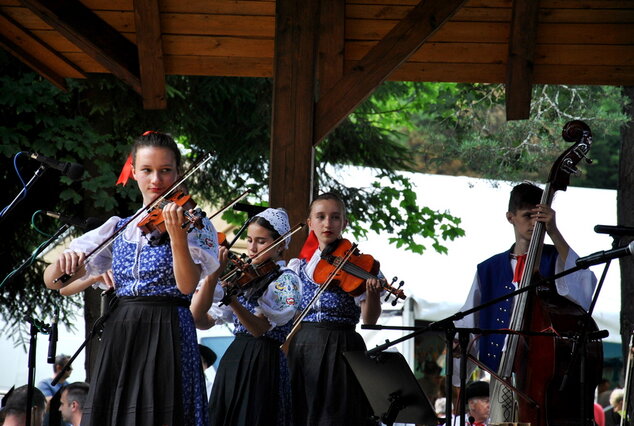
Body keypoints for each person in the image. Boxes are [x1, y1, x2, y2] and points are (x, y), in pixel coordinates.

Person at [43, 131, 220, 425]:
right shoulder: (119, 227)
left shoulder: (196, 225)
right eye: (147, 170)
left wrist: (177, 237)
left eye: (166, 171)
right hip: (123, 329)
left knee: (165, 411)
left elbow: (187, 286)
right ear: (134, 172)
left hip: (170, 327)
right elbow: (53, 281)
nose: (156, 180)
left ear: (178, 173)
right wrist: (66, 265)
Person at [454, 182, 597, 380]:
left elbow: (583, 285)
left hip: (543, 366)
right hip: (498, 369)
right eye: (527, 216)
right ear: (510, 217)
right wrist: (457, 342)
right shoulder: (488, 268)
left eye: (538, 216)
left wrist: (554, 231)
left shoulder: (557, 257)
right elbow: (469, 317)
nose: (534, 223)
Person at [190, 207, 302, 426]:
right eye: (249, 240)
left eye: (261, 241)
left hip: (263, 359)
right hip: (235, 357)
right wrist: (209, 283)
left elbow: (260, 329)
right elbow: (205, 322)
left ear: (280, 245)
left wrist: (232, 299)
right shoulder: (243, 276)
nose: (251, 248)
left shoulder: (286, 280)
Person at [286, 192, 383, 426]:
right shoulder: (298, 266)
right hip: (304, 345)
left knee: (337, 415)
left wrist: (372, 294)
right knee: (302, 412)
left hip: (342, 344)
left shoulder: (360, 264)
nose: (327, 223)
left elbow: (369, 319)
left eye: (335, 217)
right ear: (310, 223)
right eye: (320, 217)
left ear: (344, 223)